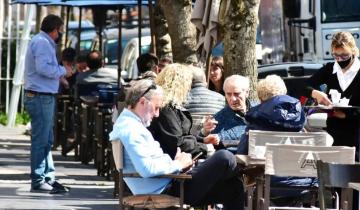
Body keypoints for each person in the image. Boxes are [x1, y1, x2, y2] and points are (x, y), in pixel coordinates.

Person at [109, 79, 244, 209]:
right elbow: (146, 169)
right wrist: (178, 164)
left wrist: (176, 163)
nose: (156, 114)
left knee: (234, 187)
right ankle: (243, 172)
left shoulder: (128, 124)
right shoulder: (131, 129)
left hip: (168, 182)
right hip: (166, 189)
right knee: (224, 157)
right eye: (156, 108)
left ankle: (239, 173)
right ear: (143, 102)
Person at [237, 75, 316, 207]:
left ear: (261, 99)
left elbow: (242, 154)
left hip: (269, 183)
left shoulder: (256, 122)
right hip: (305, 183)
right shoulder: (300, 122)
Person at [24, 14, 70, 193]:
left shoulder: (42, 41)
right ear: (54, 30)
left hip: (42, 95)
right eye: (60, 31)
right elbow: (43, 68)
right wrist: (62, 70)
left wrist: (59, 75)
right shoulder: (42, 43)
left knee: (46, 139)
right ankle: (38, 179)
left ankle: (48, 177)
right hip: (40, 96)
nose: (61, 34)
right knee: (41, 140)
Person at [304, 31, 360, 159]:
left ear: (353, 50)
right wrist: (316, 93)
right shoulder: (330, 69)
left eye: (344, 56)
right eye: (336, 55)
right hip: (335, 132)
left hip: (357, 133)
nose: (340, 60)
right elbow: (304, 86)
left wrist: (346, 114)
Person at [148, 64, 218, 159]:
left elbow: (179, 136)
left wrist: (202, 140)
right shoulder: (166, 108)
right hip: (170, 163)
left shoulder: (168, 106)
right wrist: (204, 148)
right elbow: (176, 142)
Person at [237, 75, 306, 154]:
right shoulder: (299, 119)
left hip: (262, 164)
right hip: (293, 164)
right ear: (284, 95)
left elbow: (242, 152)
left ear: (261, 99)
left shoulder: (255, 121)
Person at [202, 75, 251, 151]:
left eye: (236, 94)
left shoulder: (260, 110)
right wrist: (205, 132)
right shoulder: (217, 120)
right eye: (228, 94)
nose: (233, 99)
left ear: (247, 93)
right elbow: (202, 143)